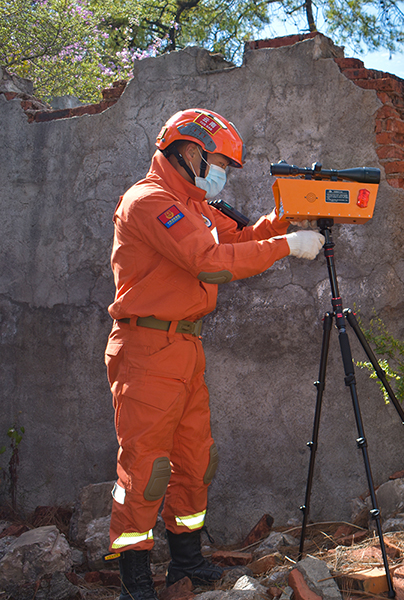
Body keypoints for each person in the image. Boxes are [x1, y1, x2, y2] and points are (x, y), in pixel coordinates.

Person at [105, 108, 324, 600]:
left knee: (194, 459)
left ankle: (186, 563)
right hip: (146, 349)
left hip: (185, 346)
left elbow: (242, 240)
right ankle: (135, 583)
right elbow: (210, 261)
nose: (221, 171)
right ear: (189, 150)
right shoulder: (150, 201)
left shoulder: (196, 205)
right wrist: (289, 245)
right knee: (144, 468)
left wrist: (289, 213)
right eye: (220, 160)